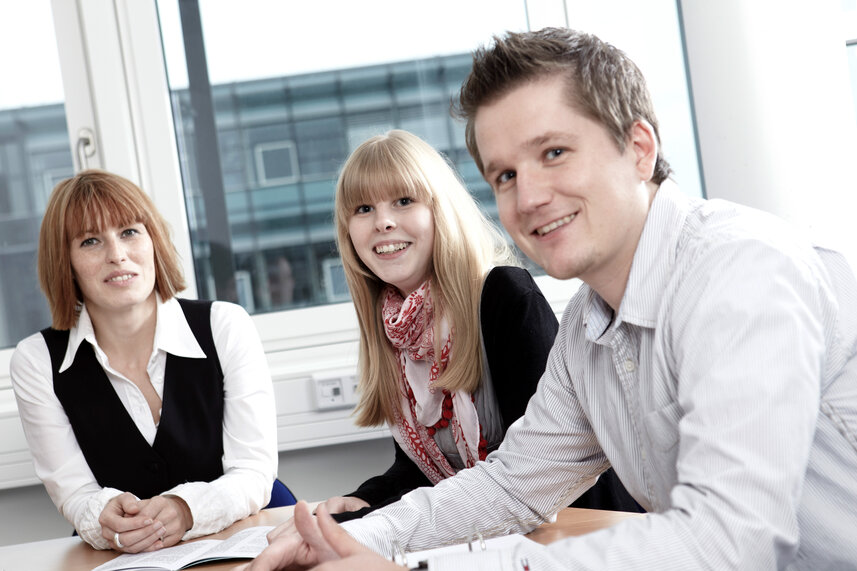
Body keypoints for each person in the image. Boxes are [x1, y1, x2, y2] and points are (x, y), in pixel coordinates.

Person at [240, 27, 857, 571]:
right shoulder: (587, 328)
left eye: (554, 152)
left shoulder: (738, 270)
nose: (528, 197)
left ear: (639, 149)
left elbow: (730, 543)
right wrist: (355, 540)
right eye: (504, 175)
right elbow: (512, 487)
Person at [277, 129, 639, 531]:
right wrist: (363, 500)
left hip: (580, 530)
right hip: (499, 533)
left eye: (403, 201)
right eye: (363, 208)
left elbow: (537, 474)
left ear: (440, 211)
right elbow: (422, 470)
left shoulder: (504, 296)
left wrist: (365, 525)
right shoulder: (395, 330)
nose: (383, 222)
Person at [10, 169, 279, 553]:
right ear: (65, 261)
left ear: (153, 240)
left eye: (129, 232)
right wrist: (104, 516)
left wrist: (187, 510)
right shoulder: (36, 361)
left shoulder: (225, 325)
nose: (116, 255)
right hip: (121, 554)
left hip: (243, 536)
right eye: (90, 241)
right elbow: (77, 495)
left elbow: (253, 472)